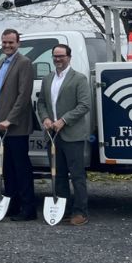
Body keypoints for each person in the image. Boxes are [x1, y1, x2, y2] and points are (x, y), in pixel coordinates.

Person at [36, 43, 92, 225]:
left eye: (61, 56)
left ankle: (80, 212)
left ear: (69, 57)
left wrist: (64, 120)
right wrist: (45, 118)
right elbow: (41, 103)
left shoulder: (79, 79)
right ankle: (63, 209)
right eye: (55, 56)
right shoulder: (48, 79)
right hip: (52, 135)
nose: (58, 59)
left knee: (77, 175)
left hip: (72, 135)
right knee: (57, 175)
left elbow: (84, 105)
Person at [0, 28, 36, 220]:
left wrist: (10, 119)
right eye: (4, 42)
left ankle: (28, 210)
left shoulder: (24, 63)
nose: (7, 45)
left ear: (18, 44)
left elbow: (23, 96)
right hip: (2, 125)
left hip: (15, 126)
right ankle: (13, 205)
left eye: (11, 42)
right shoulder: (2, 62)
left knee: (21, 168)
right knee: (8, 168)